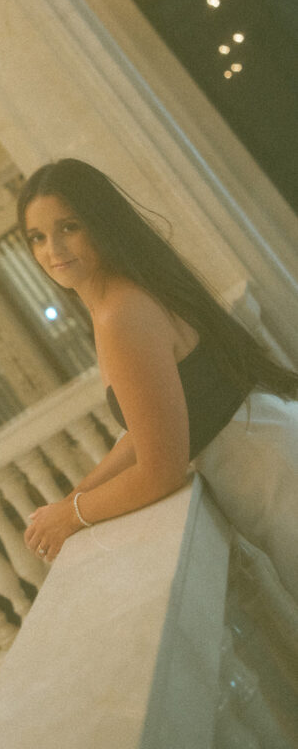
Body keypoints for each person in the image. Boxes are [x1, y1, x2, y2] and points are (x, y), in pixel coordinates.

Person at [18, 158, 298, 599]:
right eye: (37, 237)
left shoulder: (121, 312)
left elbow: (160, 471)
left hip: (277, 476)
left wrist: (73, 513)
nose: (53, 248)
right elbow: (145, 428)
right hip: (271, 457)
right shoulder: (118, 296)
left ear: (100, 223)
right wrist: (71, 499)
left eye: (68, 227)